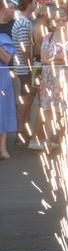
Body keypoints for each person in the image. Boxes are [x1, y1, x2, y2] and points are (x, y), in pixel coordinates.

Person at [40, 7, 68, 146]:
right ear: (53, 22)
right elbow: (43, 58)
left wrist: (54, 58)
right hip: (50, 81)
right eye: (58, 20)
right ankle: (48, 141)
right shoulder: (47, 37)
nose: (61, 22)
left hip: (67, 80)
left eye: (64, 20)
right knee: (49, 111)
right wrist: (60, 58)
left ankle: (65, 142)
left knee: (66, 111)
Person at [11, 0, 37, 142]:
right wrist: (30, 67)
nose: (36, 5)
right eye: (34, 2)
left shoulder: (23, 21)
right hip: (24, 68)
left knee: (27, 100)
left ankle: (23, 130)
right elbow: (24, 48)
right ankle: (20, 131)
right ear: (28, 4)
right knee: (25, 101)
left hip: (23, 66)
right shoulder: (22, 23)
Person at [0, 26, 16, 159]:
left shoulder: (4, 38)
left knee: (2, 110)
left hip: (2, 78)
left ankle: (2, 146)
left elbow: (6, 59)